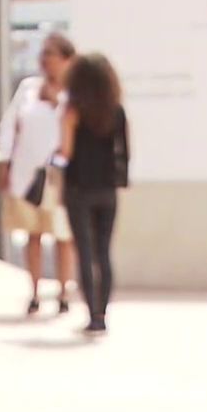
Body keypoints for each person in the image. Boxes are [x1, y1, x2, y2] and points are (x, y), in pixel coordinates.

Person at [0, 32, 77, 316]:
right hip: (27, 174)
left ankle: (64, 292)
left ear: (67, 60)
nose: (46, 62)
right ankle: (34, 291)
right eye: (43, 55)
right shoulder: (28, 88)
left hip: (59, 176)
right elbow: (9, 126)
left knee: (63, 234)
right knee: (33, 232)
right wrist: (4, 164)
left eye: (51, 55)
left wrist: (56, 102)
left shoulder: (73, 93)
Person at [57, 53, 129, 335]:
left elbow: (66, 152)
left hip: (78, 187)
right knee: (103, 252)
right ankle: (103, 313)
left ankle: (92, 314)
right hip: (107, 188)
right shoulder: (116, 111)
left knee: (85, 252)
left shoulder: (73, 111)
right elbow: (125, 150)